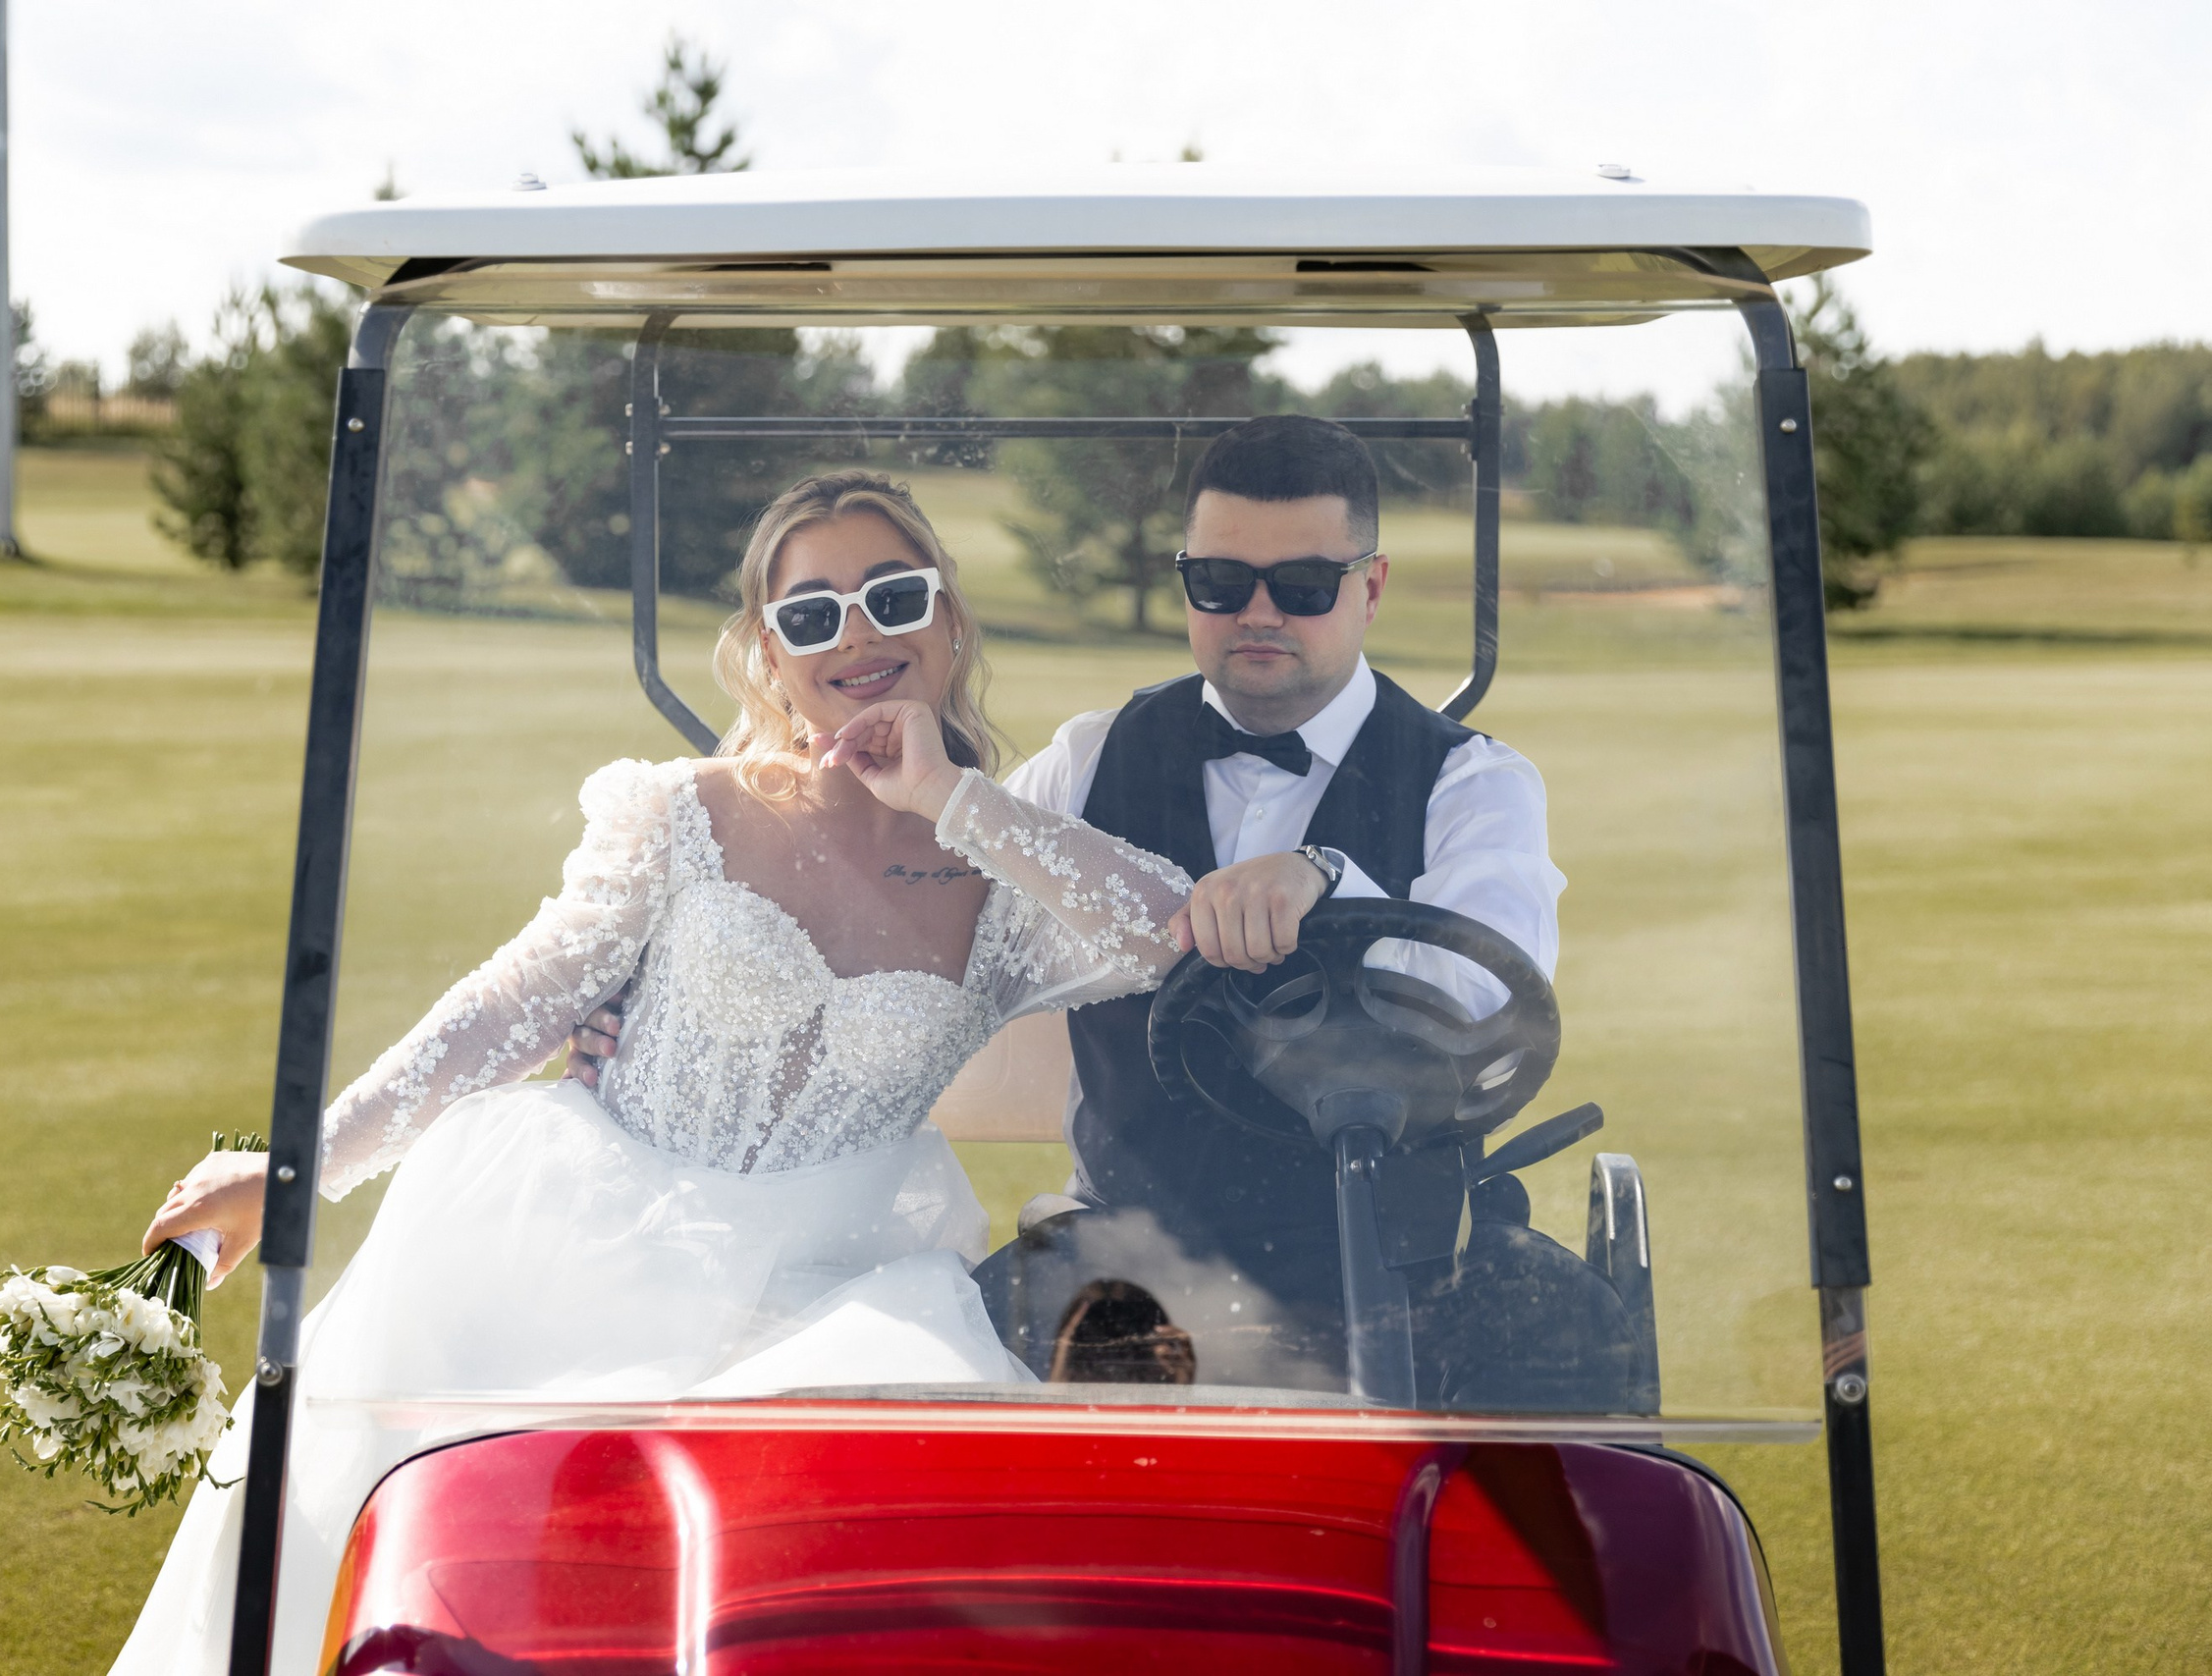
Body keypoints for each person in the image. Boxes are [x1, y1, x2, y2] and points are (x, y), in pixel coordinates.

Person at [109, 469, 1202, 1676]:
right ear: (766, 656)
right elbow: (516, 1004)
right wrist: (306, 1167)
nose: (857, 634)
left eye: (893, 596)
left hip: (833, 1285)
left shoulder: (1001, 882)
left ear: (948, 623)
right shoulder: (683, 813)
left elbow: (1165, 928)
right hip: (594, 1241)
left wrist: (947, 793)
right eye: (810, 613)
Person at [566, 414, 1565, 1390]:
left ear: (1370, 587)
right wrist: (665, 1008)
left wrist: (1329, 876)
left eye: (1302, 586)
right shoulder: (1093, 759)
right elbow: (904, 923)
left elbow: (1478, 995)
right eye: (1219, 583)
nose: (1258, 613)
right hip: (1125, 1282)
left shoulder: (1475, 783)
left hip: (1388, 1279)